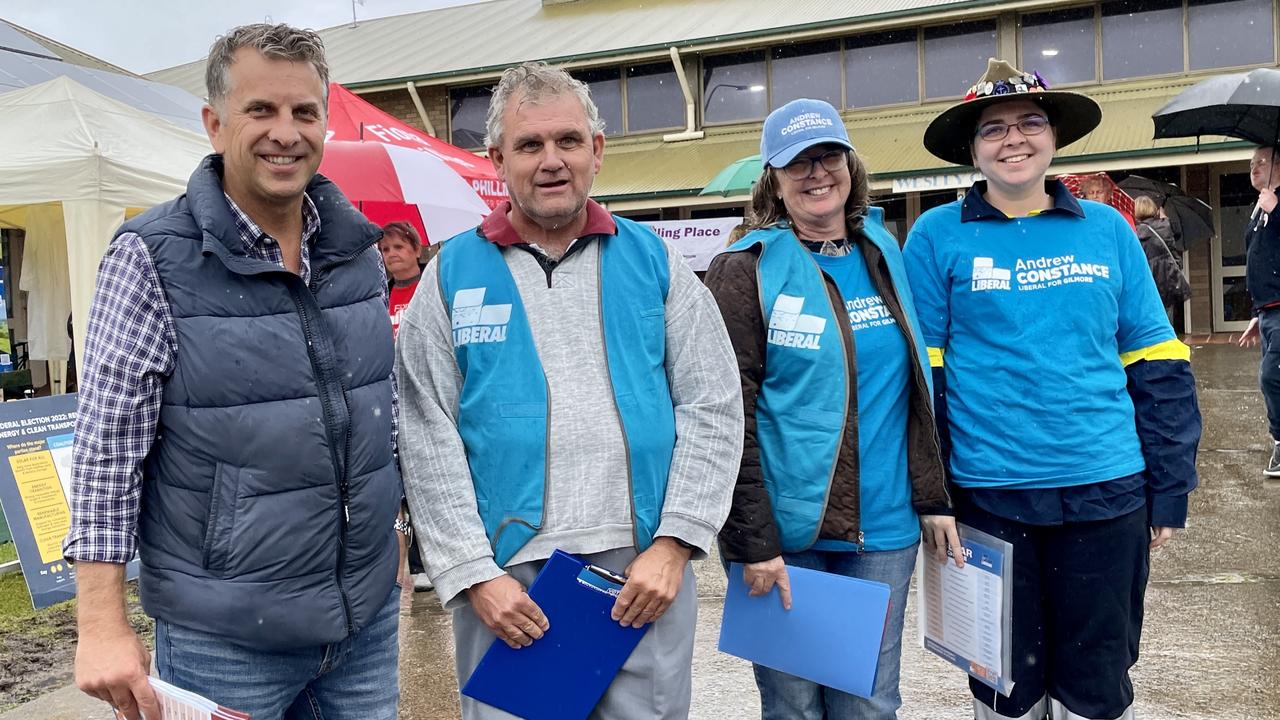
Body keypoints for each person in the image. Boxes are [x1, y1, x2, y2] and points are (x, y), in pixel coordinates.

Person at [63, 24, 403, 720]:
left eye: (305, 112)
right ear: (216, 124)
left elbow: (379, 409)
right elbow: (107, 451)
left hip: (363, 624)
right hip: (226, 640)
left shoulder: (357, 252)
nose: (287, 132)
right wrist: (100, 623)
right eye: (262, 110)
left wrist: (389, 529)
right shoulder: (151, 257)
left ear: (325, 121)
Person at [395, 61, 743, 719]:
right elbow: (425, 429)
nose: (550, 161)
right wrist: (472, 574)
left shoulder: (654, 262)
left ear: (597, 151)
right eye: (529, 145)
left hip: (641, 571)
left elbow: (713, 403)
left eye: (568, 141)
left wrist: (677, 543)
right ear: (498, 158)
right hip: (507, 584)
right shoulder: (450, 277)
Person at [905, 59, 1201, 720]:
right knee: (1001, 684)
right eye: (995, 128)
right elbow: (923, 382)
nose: (1014, 139)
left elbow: (1158, 363)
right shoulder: (934, 236)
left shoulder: (1108, 230)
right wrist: (932, 495)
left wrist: (1170, 485)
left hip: (1108, 492)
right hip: (989, 499)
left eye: (1030, 123)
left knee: (1096, 684)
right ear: (972, 148)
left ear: (1054, 137)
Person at [704, 98, 958, 720]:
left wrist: (933, 496)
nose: (817, 174)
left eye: (828, 157)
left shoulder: (883, 249)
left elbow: (914, 390)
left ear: (850, 164)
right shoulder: (745, 269)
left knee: (869, 704)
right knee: (794, 708)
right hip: (789, 536)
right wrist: (750, 541)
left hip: (885, 530)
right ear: (774, 179)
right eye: (797, 164)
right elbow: (724, 414)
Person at [1236, 145, 1280, 477]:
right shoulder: (1259, 207)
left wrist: (1277, 211)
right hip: (1267, 311)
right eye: (1251, 163)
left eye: (1261, 162)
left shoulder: (1275, 204)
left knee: (1272, 376)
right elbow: (1261, 260)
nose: (1254, 167)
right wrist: (1256, 311)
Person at [1133, 195, 1191, 313]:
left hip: (1149, 278)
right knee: (1166, 317)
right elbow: (1176, 234)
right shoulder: (1165, 226)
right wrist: (1164, 218)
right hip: (1168, 277)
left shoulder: (1135, 231)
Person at [381, 220, 426, 338]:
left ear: (417, 250)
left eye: (398, 247)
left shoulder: (433, 288)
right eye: (385, 249)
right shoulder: (380, 296)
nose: (391, 254)